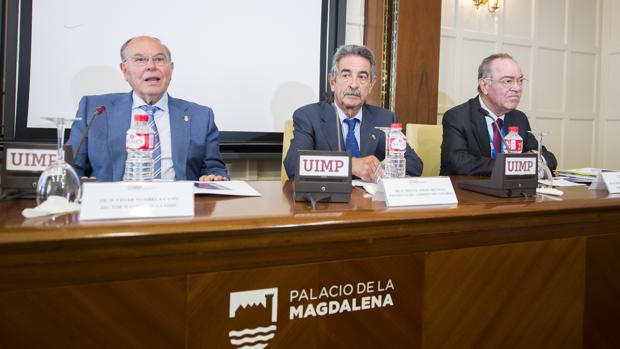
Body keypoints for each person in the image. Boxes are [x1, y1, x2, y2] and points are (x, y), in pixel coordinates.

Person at [67, 36, 228, 182]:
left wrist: (214, 176)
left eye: (159, 59)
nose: (151, 66)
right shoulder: (95, 110)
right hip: (114, 206)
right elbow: (72, 167)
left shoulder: (200, 116)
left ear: (171, 69)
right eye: (140, 60)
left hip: (178, 207)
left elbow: (214, 168)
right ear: (124, 70)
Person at [283, 44, 423, 181]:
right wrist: (350, 165)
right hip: (326, 202)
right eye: (346, 75)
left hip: (371, 202)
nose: (354, 84)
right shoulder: (309, 117)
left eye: (362, 77)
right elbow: (293, 165)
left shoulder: (384, 118)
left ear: (371, 84)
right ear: (332, 81)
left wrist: (378, 169)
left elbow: (414, 164)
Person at [440, 53, 557, 176]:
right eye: (508, 81)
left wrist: (534, 162)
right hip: (467, 192)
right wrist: (514, 166)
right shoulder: (458, 117)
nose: (517, 88)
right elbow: (458, 163)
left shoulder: (518, 118)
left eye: (520, 80)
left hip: (511, 192)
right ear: (484, 85)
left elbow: (548, 158)